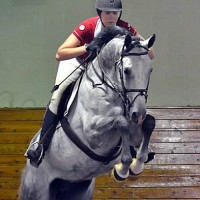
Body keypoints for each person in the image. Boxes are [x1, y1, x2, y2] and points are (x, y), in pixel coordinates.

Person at [26, 0, 155, 167]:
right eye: (107, 13)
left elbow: (150, 53)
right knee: (58, 96)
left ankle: (132, 145)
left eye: (115, 13)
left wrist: (140, 43)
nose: (111, 17)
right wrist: (86, 48)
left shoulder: (125, 28)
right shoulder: (88, 26)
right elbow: (60, 53)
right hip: (78, 63)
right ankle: (41, 146)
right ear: (99, 13)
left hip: (104, 73)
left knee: (127, 94)